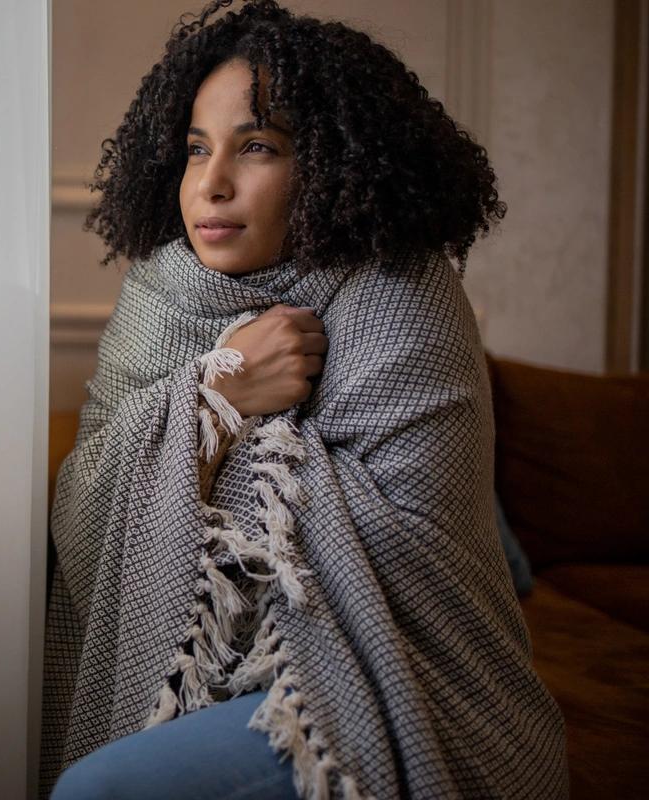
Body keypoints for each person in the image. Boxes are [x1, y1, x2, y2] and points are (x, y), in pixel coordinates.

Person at [40, 2, 569, 799]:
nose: (212, 183)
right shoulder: (156, 298)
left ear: (327, 163)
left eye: (256, 146)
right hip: (197, 669)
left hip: (384, 683)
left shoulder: (403, 290)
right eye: (195, 149)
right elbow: (82, 519)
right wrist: (219, 389)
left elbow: (412, 550)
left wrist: (214, 442)